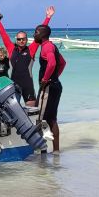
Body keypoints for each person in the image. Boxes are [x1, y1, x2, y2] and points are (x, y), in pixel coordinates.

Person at [0, 6, 55, 106]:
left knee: (32, 112)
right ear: (16, 40)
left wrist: (48, 17)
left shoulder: (31, 49)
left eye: (23, 39)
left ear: (26, 40)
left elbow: (41, 33)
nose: (21, 41)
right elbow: (3, 33)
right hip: (14, 84)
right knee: (13, 110)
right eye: (19, 39)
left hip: (28, 85)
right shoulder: (11, 48)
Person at [34, 24, 66, 154]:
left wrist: (46, 79)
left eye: (36, 32)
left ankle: (41, 151)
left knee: (39, 118)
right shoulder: (51, 46)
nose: (34, 34)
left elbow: (52, 63)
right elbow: (63, 63)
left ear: (42, 34)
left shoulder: (46, 46)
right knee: (52, 118)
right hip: (56, 85)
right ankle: (56, 151)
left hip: (48, 87)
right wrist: (55, 77)